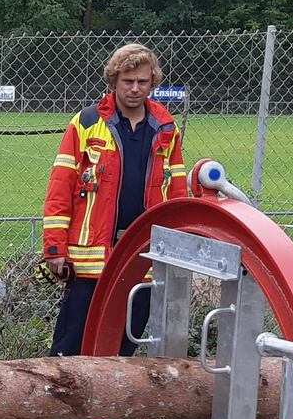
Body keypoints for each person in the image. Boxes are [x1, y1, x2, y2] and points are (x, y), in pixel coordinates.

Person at [41, 43, 188, 358]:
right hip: (88, 261)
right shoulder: (86, 123)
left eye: (143, 82)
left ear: (153, 83)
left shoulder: (166, 128)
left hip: (144, 257)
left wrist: (180, 245)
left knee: (123, 351)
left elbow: (176, 190)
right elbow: (60, 187)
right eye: (127, 81)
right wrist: (55, 248)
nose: (135, 89)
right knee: (69, 349)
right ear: (113, 80)